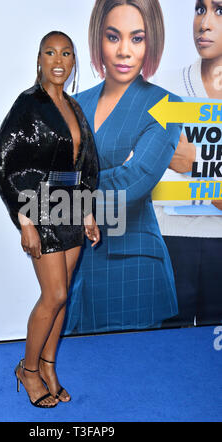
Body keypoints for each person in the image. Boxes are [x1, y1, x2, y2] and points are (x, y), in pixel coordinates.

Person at [63, 0, 183, 335]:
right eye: (113, 37)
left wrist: (69, 191)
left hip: (134, 272)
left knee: (129, 381)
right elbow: (47, 173)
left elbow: (135, 181)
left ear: (152, 41)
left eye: (137, 38)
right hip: (77, 272)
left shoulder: (167, 106)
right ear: (98, 39)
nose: (124, 51)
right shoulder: (75, 104)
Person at [0, 31, 99, 407]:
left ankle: (49, 366)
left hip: (71, 205)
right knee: (52, 294)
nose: (58, 59)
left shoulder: (72, 105)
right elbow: (8, 164)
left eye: (66, 53)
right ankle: (29, 369)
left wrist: (87, 211)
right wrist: (25, 220)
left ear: (73, 63)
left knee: (62, 297)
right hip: (41, 207)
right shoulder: (28, 106)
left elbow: (85, 163)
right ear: (39, 59)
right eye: (50, 52)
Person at [153, 0, 222, 327]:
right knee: (168, 348)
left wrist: (196, 163)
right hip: (172, 238)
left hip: (219, 243)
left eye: (220, 10)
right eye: (200, 8)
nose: (204, 23)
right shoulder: (165, 86)